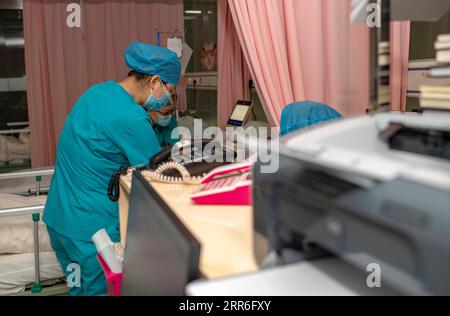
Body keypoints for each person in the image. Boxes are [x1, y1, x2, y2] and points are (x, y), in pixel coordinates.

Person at [43, 42, 181, 296]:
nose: (167, 99)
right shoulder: (131, 117)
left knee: (77, 289)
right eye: (169, 90)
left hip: (60, 225)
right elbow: (161, 177)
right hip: (92, 235)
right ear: (154, 81)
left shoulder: (95, 94)